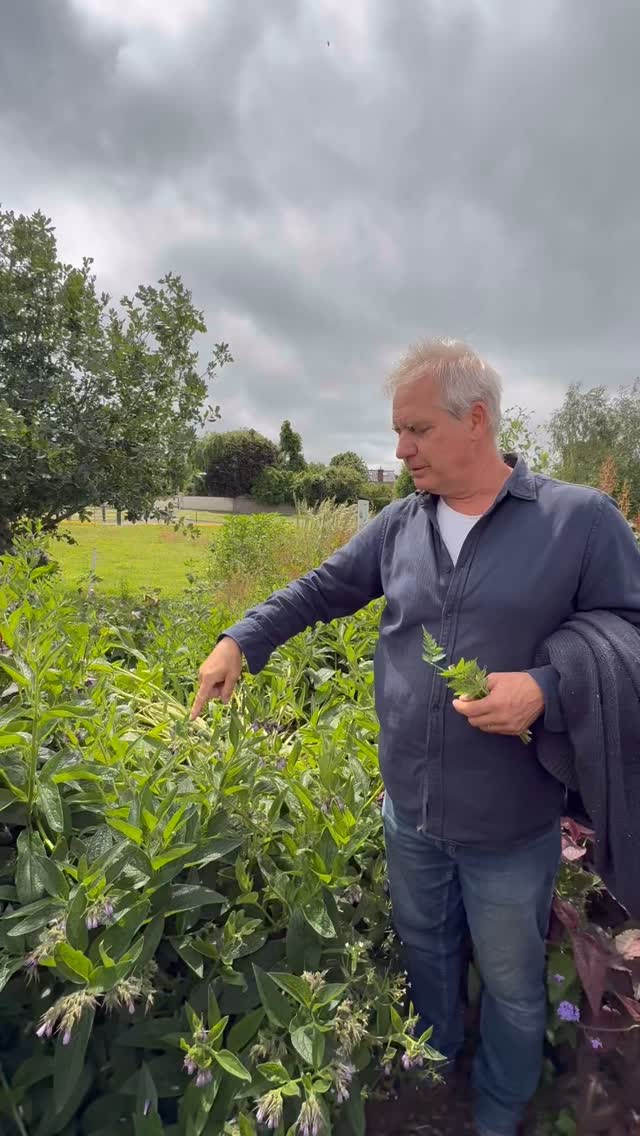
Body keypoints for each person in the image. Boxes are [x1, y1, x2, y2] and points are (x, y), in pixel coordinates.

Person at [190, 338, 640, 1136]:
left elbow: (630, 631)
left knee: (509, 982)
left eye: (416, 430)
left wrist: (546, 686)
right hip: (411, 814)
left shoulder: (578, 520)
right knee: (426, 959)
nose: (399, 451)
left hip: (510, 823)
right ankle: (430, 1079)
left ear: (476, 421)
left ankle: (499, 1110)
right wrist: (242, 639)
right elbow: (322, 589)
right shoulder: (400, 525)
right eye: (396, 433)